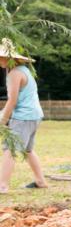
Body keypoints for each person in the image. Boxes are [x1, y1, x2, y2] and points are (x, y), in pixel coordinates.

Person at [0, 39, 47, 193]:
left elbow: (12, 101)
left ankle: (2, 185)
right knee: (28, 149)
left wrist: (3, 120)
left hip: (24, 116)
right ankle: (40, 181)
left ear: (9, 58)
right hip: (34, 115)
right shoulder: (24, 70)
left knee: (10, 149)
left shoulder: (14, 74)